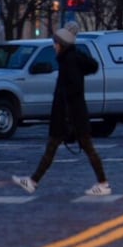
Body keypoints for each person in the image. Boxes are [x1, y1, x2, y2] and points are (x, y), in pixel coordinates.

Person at [11, 23, 111, 197]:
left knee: (72, 148)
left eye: (56, 43)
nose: (54, 46)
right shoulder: (73, 59)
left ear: (62, 45)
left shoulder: (68, 62)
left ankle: (103, 183)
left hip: (68, 115)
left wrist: (67, 118)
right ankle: (33, 181)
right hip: (74, 114)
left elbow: (71, 91)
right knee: (69, 148)